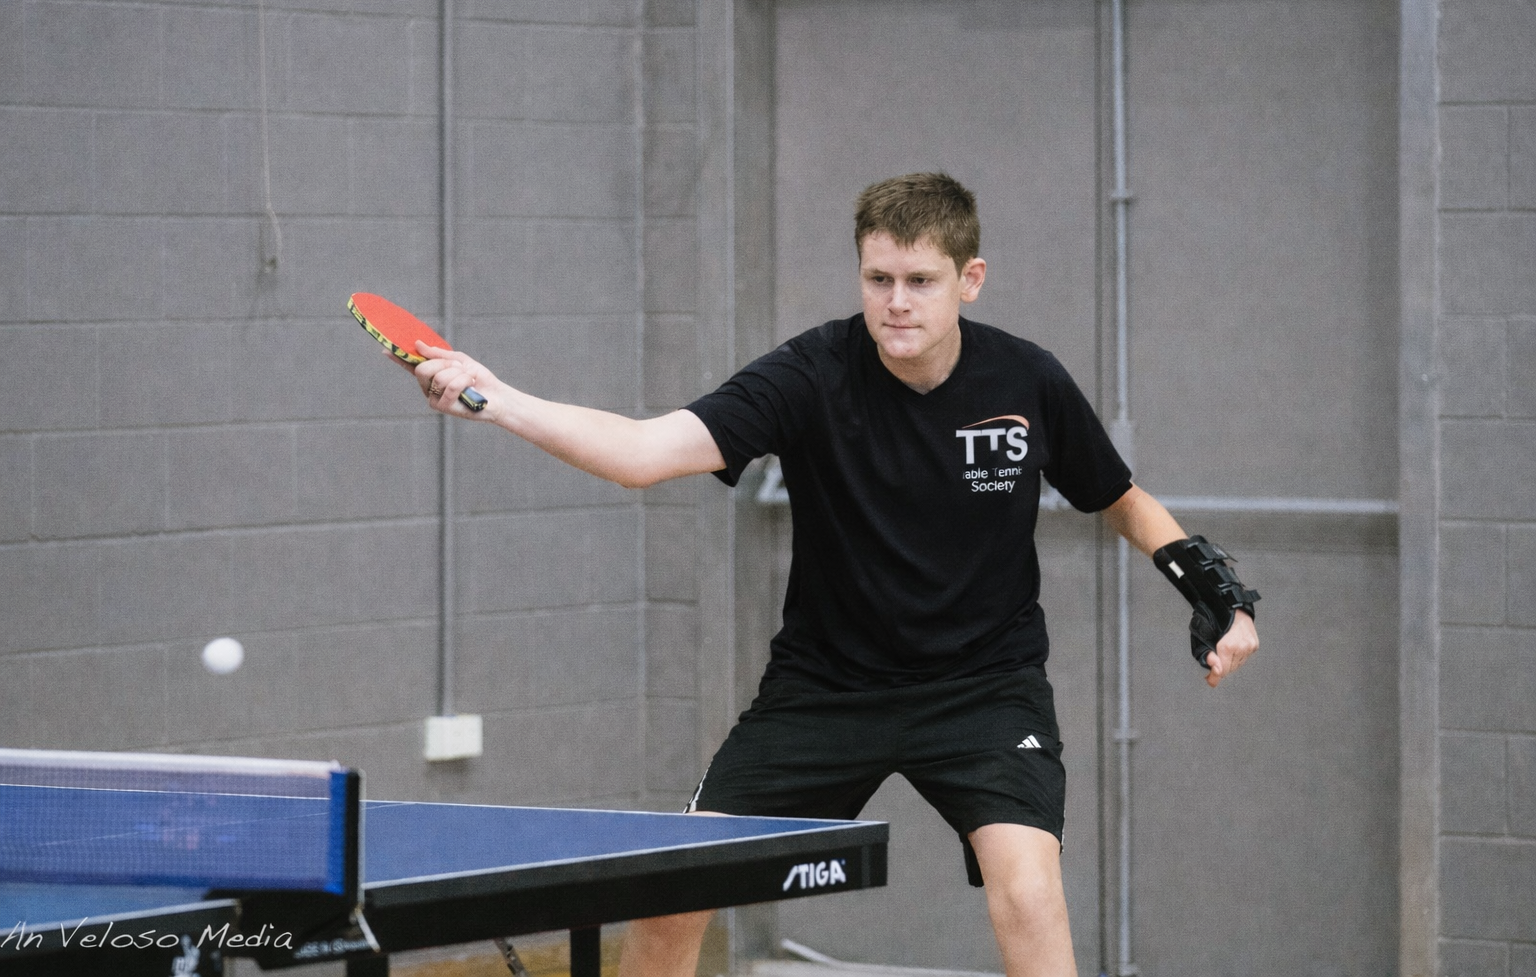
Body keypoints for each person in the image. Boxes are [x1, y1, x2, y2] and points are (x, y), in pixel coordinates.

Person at [409, 173, 1260, 977]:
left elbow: (1119, 496)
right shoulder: (809, 375)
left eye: (920, 281)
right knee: (671, 896)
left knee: (1031, 890)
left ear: (971, 279)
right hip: (825, 691)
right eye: (878, 277)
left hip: (984, 690)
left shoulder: (1025, 378)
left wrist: (1215, 596)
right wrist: (498, 397)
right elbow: (641, 453)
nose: (896, 303)